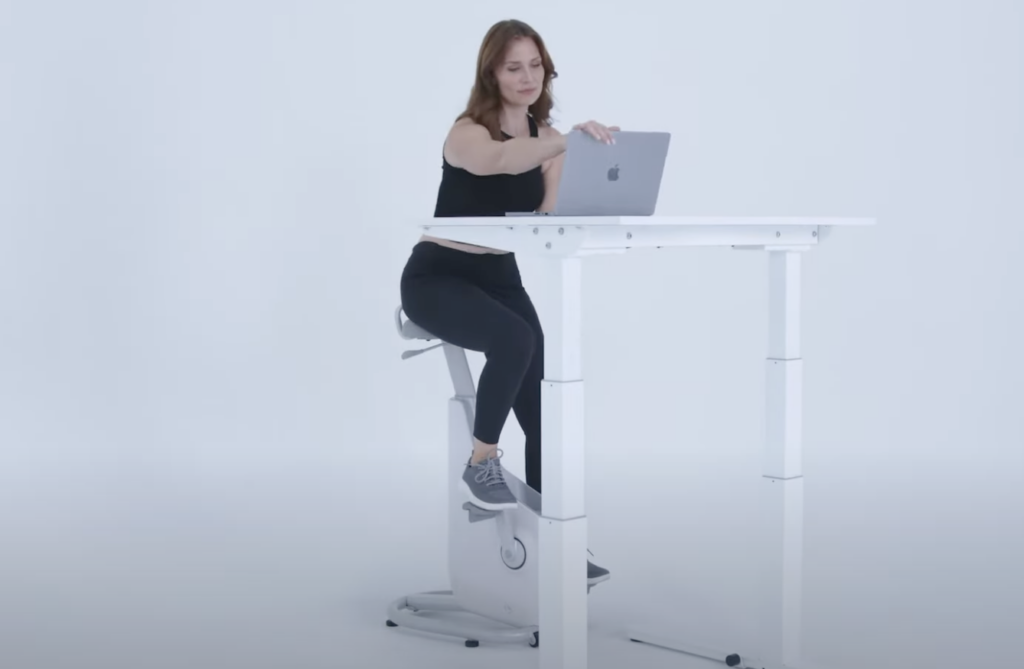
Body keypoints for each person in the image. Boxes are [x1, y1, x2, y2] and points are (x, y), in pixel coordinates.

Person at [399, 19, 614, 584]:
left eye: (534, 65)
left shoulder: (548, 137)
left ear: (547, 71)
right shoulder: (467, 131)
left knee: (544, 413)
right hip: (438, 276)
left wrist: (589, 168)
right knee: (514, 339)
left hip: (499, 277)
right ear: (491, 73)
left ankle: (557, 545)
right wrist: (564, 141)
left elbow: (549, 214)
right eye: (512, 66)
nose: (526, 76)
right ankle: (481, 463)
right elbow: (498, 161)